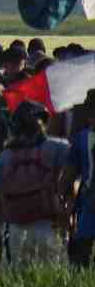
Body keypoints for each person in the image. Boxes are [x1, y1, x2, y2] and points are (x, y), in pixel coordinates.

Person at [0, 101, 70, 266]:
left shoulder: (4, 157)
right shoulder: (60, 148)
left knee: (19, 284)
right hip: (51, 226)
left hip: (15, 229)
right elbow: (70, 188)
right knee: (54, 283)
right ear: (43, 122)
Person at [63, 90, 95, 266]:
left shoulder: (81, 138)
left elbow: (68, 175)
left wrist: (62, 194)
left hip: (88, 202)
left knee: (84, 251)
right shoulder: (81, 139)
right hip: (88, 202)